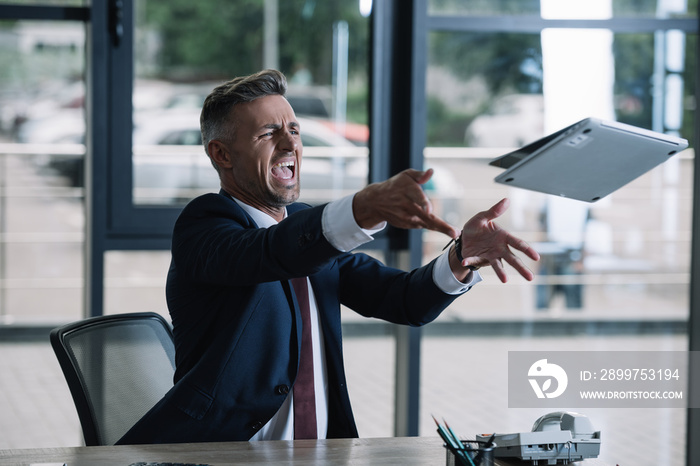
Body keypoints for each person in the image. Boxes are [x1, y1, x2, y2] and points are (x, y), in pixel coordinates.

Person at [117, 69, 539, 445]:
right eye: (268, 134)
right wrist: (361, 209)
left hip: (321, 451)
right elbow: (271, 253)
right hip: (223, 453)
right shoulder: (204, 225)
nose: (290, 144)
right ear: (221, 155)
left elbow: (402, 299)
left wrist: (461, 257)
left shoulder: (306, 230)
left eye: (295, 130)